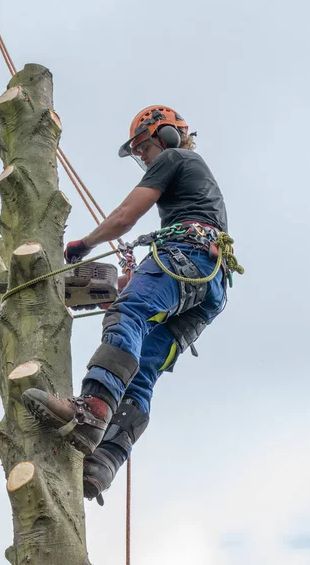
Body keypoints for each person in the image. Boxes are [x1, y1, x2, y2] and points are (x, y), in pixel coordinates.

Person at [22, 105, 230, 502]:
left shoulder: (174, 157)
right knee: (144, 368)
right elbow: (151, 287)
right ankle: (104, 463)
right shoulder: (197, 187)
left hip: (187, 256)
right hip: (209, 284)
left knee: (129, 312)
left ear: (167, 135)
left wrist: (82, 246)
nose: (142, 157)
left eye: (144, 146)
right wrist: (95, 288)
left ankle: (92, 409)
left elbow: (123, 218)